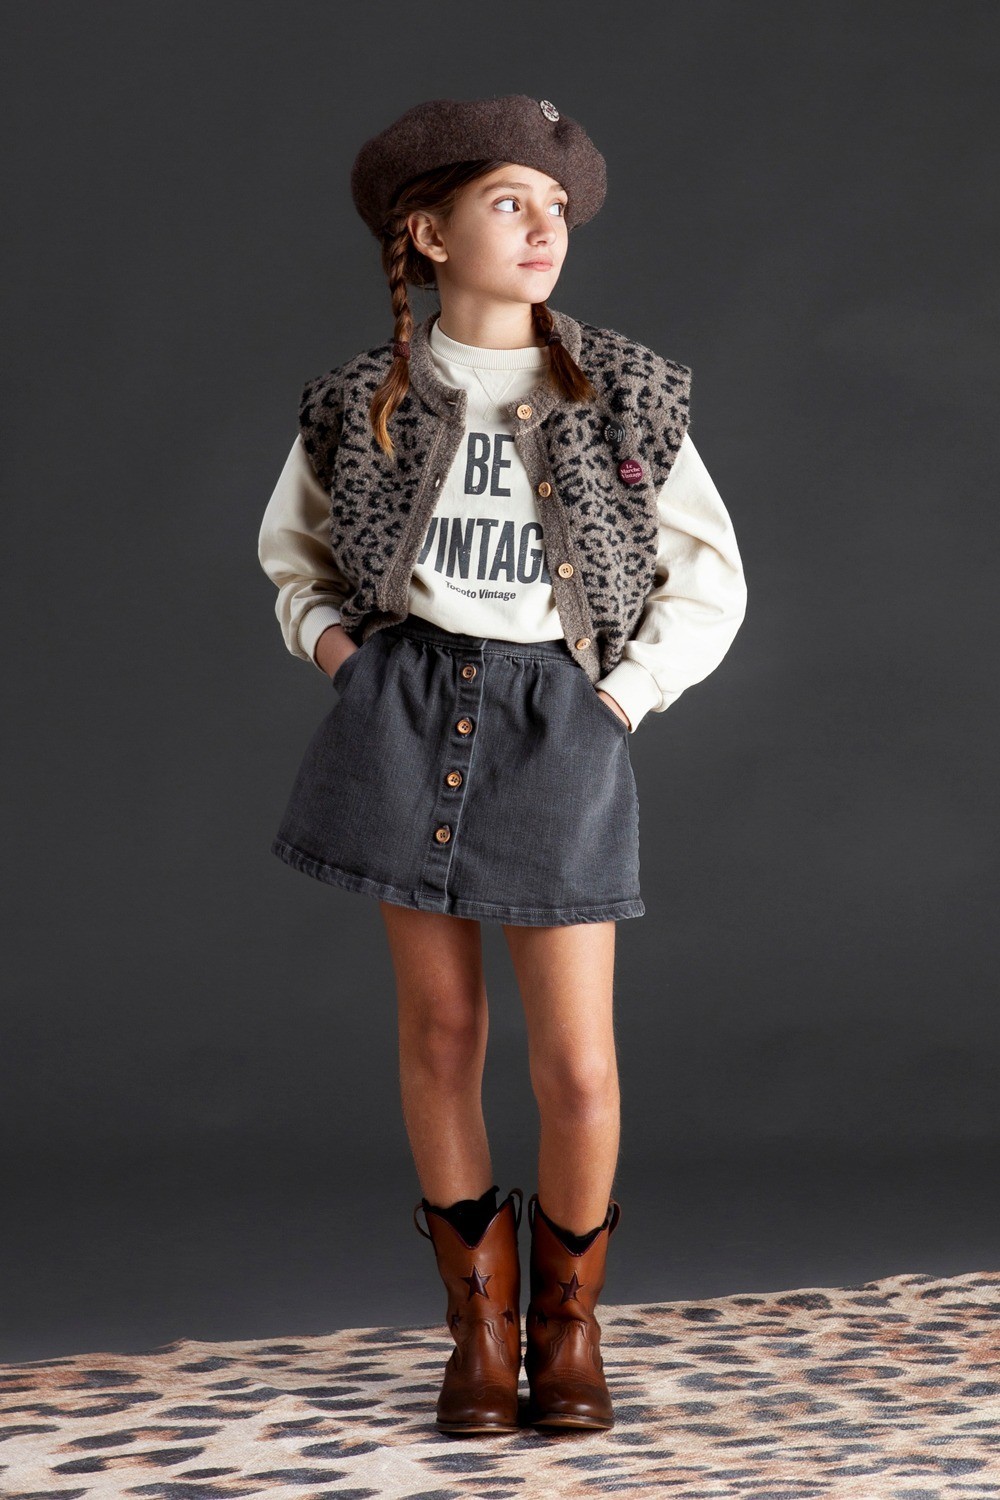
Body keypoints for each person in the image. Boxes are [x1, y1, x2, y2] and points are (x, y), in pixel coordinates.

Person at [257, 94, 748, 1436]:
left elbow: (710, 579)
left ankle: (566, 1329)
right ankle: (477, 1331)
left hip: (558, 719)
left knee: (577, 1065)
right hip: (404, 711)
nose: (545, 228)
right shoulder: (360, 399)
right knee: (442, 1033)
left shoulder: (623, 390)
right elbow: (293, 555)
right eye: (509, 203)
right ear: (429, 233)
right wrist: (344, 659)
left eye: (557, 208)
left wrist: (622, 698)